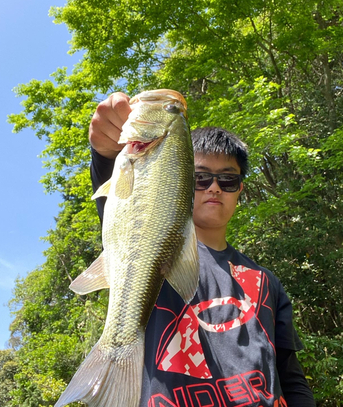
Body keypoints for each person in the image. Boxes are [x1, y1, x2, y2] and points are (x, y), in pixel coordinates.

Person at [89, 92, 315, 407]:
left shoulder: (267, 282)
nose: (213, 187)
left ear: (240, 191)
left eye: (228, 180)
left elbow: (291, 377)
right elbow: (125, 209)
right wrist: (104, 152)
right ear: (179, 177)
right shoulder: (151, 257)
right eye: (200, 178)